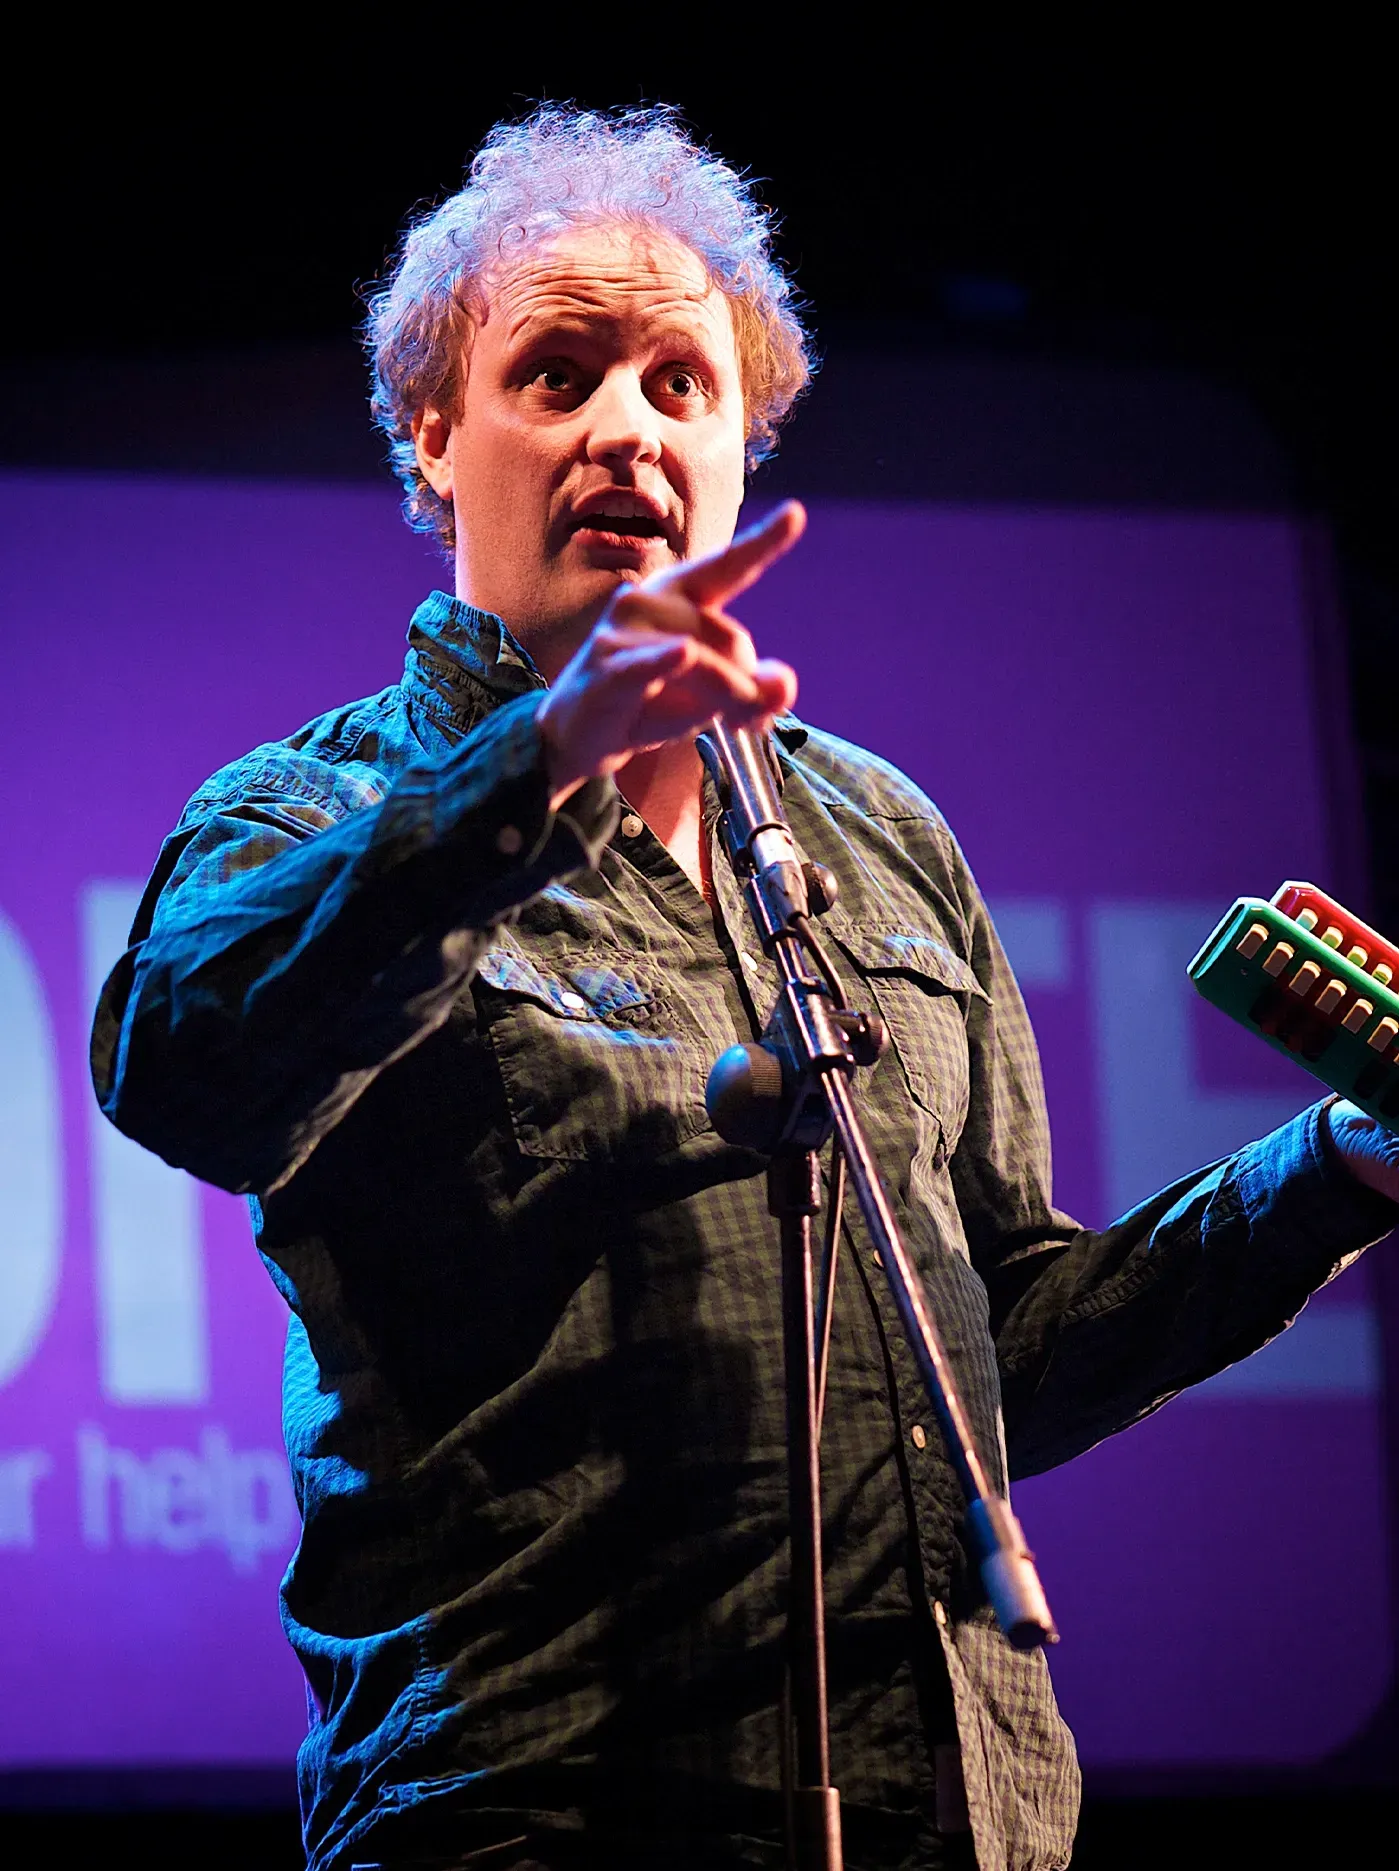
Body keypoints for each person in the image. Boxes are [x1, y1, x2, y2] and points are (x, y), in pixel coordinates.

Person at [90, 106, 1399, 1871]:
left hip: (953, 1816)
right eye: (556, 377)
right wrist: (544, 758)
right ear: (434, 436)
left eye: (678, 384)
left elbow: (990, 1359)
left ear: (736, 448)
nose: (625, 425)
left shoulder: (878, 834)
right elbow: (182, 1067)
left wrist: (1337, 1167)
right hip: (544, 1818)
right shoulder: (308, 808)